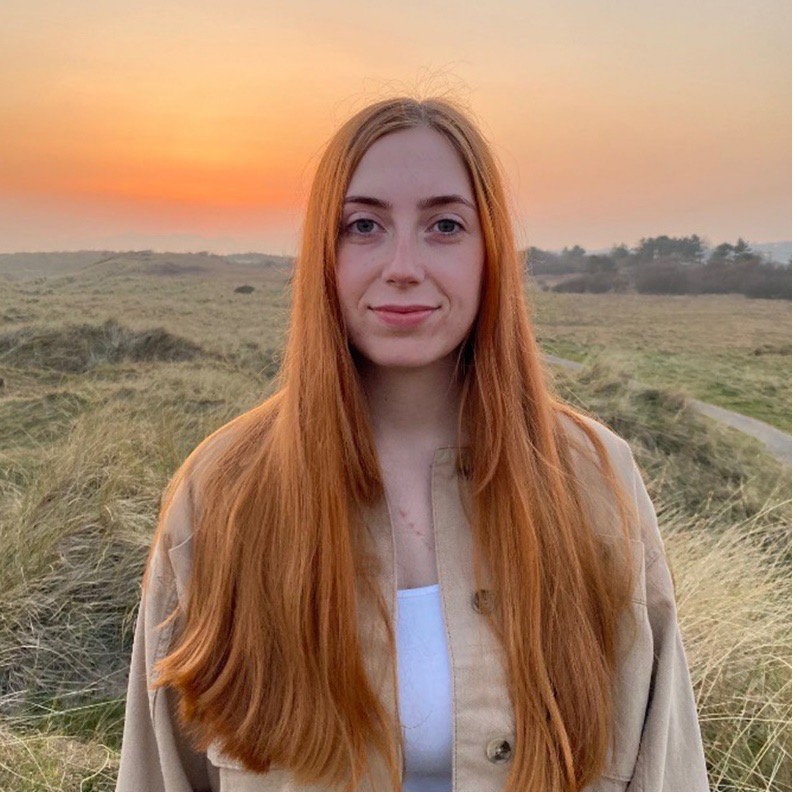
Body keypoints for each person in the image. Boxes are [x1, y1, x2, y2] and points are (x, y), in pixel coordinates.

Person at [116, 97, 709, 792]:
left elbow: (664, 763)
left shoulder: (591, 476)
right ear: (323, 256)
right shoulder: (220, 490)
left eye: (444, 225)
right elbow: (158, 773)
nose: (402, 265)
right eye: (363, 225)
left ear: (489, 250)